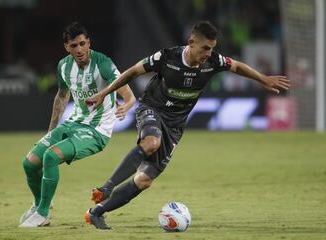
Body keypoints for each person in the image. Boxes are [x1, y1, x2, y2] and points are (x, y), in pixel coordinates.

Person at [84, 21, 290, 229]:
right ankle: (107, 187)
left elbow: (236, 66)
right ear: (191, 42)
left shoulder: (214, 61)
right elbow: (133, 71)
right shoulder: (167, 57)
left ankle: (97, 212)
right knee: (152, 142)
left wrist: (263, 79)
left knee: (144, 180)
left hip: (175, 126)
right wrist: (104, 93)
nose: (209, 54)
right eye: (205, 48)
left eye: (212, 48)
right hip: (153, 108)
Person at [18, 22, 135, 227]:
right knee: (29, 163)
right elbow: (62, 97)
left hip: (96, 131)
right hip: (73, 123)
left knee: (51, 157)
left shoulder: (103, 64)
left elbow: (127, 93)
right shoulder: (64, 66)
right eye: (74, 45)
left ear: (89, 43)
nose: (79, 49)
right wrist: (52, 129)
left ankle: (43, 214)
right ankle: (39, 205)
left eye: (82, 44)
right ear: (67, 47)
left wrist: (127, 105)